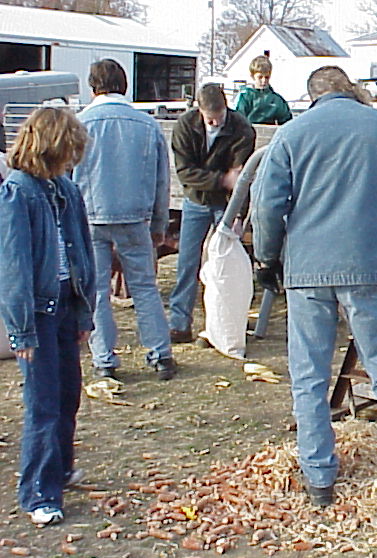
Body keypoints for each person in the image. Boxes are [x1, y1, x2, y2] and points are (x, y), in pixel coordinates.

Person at [251, 65, 377, 510]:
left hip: (308, 269)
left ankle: (319, 478)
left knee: (310, 376)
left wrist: (268, 257)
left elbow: (266, 205)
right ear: (349, 90)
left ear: (313, 96)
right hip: (369, 265)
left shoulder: (292, 133)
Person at [0, 107, 96, 525]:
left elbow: (83, 250)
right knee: (43, 405)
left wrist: (84, 312)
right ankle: (39, 490)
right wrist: (20, 331)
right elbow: (13, 266)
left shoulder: (64, 190)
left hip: (65, 305)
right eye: (66, 154)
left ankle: (61, 466)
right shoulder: (18, 193)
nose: (70, 163)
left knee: (68, 394)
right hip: (37, 312)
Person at [73, 59, 176, 380]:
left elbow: (68, 176)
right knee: (144, 286)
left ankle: (104, 358)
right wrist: (160, 226)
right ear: (125, 86)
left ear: (93, 88)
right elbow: (162, 181)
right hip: (135, 216)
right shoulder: (147, 125)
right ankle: (160, 353)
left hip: (89, 215)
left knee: (97, 290)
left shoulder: (80, 124)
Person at [168, 84, 255, 343]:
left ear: (226, 107)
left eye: (219, 116)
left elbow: (241, 177)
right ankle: (180, 323)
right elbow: (185, 172)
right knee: (187, 261)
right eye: (209, 118)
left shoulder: (241, 129)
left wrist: (238, 215)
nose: (215, 121)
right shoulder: (185, 127)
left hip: (226, 204)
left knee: (225, 264)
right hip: (196, 200)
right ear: (199, 110)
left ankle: (222, 327)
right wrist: (220, 180)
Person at [234, 55, 292, 126]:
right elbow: (237, 120)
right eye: (260, 77)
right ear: (252, 76)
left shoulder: (276, 100)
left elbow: (287, 123)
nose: (264, 80)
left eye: (266, 77)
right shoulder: (245, 97)